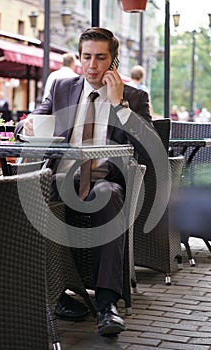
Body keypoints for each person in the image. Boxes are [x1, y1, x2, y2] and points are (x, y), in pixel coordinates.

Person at [15, 27, 162, 336]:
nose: (92, 66)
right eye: (86, 57)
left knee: (108, 195)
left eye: (101, 58)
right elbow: (30, 122)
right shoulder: (62, 89)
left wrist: (119, 104)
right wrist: (27, 127)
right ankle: (54, 294)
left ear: (113, 61)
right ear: (79, 58)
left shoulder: (133, 96)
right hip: (58, 179)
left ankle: (107, 304)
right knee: (17, 197)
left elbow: (150, 148)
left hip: (103, 180)